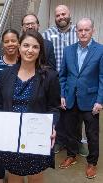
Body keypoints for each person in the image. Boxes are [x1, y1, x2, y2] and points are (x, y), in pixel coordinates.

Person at [0, 30, 60, 183]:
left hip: (36, 138)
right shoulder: (5, 75)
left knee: (35, 178)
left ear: (40, 50)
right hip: (11, 138)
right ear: (19, 47)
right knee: (14, 178)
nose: (30, 50)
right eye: (26, 45)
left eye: (35, 47)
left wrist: (53, 126)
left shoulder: (50, 76)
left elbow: (54, 108)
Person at [58, 18, 103, 179]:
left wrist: (100, 100)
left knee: (92, 134)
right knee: (70, 131)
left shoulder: (100, 50)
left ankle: (92, 162)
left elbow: (102, 77)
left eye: (87, 30)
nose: (83, 33)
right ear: (76, 31)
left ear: (93, 31)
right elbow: (62, 76)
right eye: (80, 30)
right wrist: (62, 95)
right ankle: (72, 155)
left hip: (91, 101)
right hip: (70, 98)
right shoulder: (68, 50)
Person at [42, 5, 87, 156]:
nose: (61, 17)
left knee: (77, 109)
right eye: (58, 15)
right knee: (58, 109)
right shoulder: (47, 34)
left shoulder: (79, 31)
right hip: (54, 79)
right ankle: (60, 140)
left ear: (69, 15)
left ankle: (77, 141)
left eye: (63, 14)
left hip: (75, 79)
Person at [0, 28, 20, 183]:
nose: (10, 44)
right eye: (6, 41)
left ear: (19, 42)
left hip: (20, 112)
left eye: (13, 40)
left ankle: (15, 173)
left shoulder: (25, 62)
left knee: (16, 145)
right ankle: (0, 177)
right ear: (2, 44)